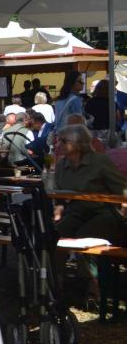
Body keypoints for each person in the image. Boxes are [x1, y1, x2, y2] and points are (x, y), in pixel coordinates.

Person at [53, 123, 127, 301]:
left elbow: (122, 189)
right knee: (55, 235)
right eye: (58, 140)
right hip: (76, 212)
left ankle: (93, 286)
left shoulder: (99, 161)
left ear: (79, 143)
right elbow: (59, 195)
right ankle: (55, 284)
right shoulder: (62, 164)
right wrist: (58, 211)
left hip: (103, 212)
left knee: (84, 237)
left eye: (64, 141)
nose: (58, 144)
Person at [54, 70, 86, 135]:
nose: (83, 83)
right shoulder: (75, 100)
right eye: (80, 81)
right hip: (70, 135)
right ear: (72, 83)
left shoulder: (59, 99)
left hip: (58, 134)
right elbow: (79, 122)